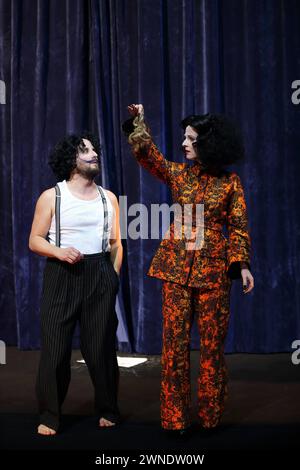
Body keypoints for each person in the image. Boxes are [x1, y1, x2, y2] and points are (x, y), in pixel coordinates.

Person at [122, 104, 254, 434]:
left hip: (214, 273)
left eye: (190, 138)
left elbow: (238, 227)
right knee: (174, 348)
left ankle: (210, 416)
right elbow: (149, 157)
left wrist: (243, 265)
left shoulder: (230, 183)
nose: (183, 143)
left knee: (211, 348)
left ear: (208, 144)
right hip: (176, 271)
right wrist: (139, 124)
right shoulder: (179, 174)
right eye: (184, 137)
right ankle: (175, 419)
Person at [29, 133, 122, 435]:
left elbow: (116, 244)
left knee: (101, 349)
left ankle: (108, 408)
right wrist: (58, 251)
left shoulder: (108, 198)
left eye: (94, 149)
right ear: (72, 160)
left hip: (99, 274)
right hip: (62, 275)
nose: (94, 154)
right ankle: (49, 415)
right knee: (55, 350)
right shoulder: (52, 196)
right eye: (85, 151)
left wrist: (112, 277)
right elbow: (34, 240)